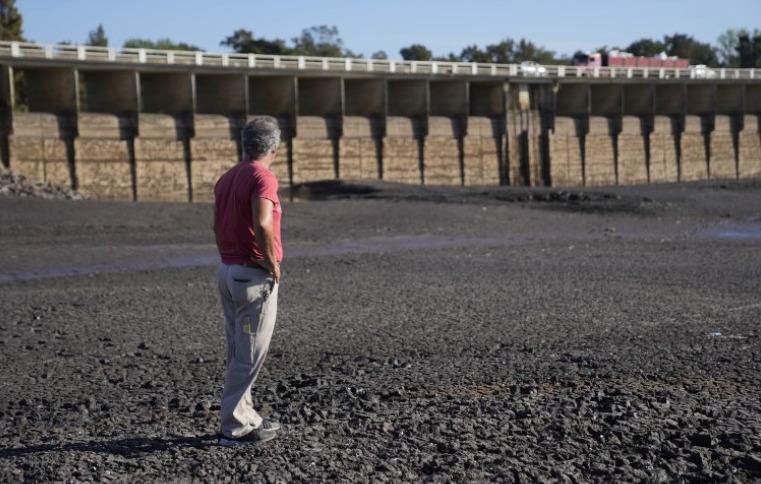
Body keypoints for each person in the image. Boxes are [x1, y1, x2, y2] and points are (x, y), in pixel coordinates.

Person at [213, 116, 284, 446]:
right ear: (274, 147)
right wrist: (271, 264)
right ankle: (235, 426)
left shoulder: (227, 178)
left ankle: (246, 414)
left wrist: (229, 256)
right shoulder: (262, 177)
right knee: (250, 352)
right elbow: (263, 223)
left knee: (238, 349)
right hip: (252, 275)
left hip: (228, 270)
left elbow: (217, 226)